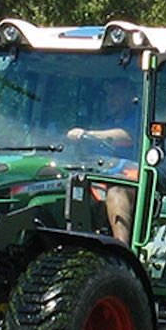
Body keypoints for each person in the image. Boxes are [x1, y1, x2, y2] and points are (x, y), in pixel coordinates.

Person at [66, 80, 140, 244]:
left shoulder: (140, 117)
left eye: (115, 95)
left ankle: (122, 249)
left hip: (133, 178)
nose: (110, 99)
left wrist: (87, 134)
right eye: (108, 95)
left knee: (116, 191)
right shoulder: (108, 122)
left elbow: (127, 137)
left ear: (130, 96)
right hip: (102, 175)